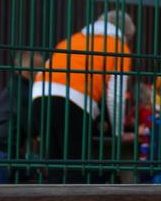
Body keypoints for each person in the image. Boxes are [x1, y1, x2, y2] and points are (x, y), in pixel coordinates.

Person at [30, 10, 134, 183]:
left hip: (40, 95)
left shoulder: (72, 40)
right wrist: (117, 132)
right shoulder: (119, 48)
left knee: (53, 165)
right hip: (74, 101)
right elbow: (115, 94)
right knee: (75, 168)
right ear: (126, 34)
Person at [0, 50, 44, 183]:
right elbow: (27, 119)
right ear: (29, 72)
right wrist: (38, 132)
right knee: (0, 182)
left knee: (9, 173)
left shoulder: (15, 85)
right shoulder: (24, 91)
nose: (42, 74)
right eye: (40, 70)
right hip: (4, 142)